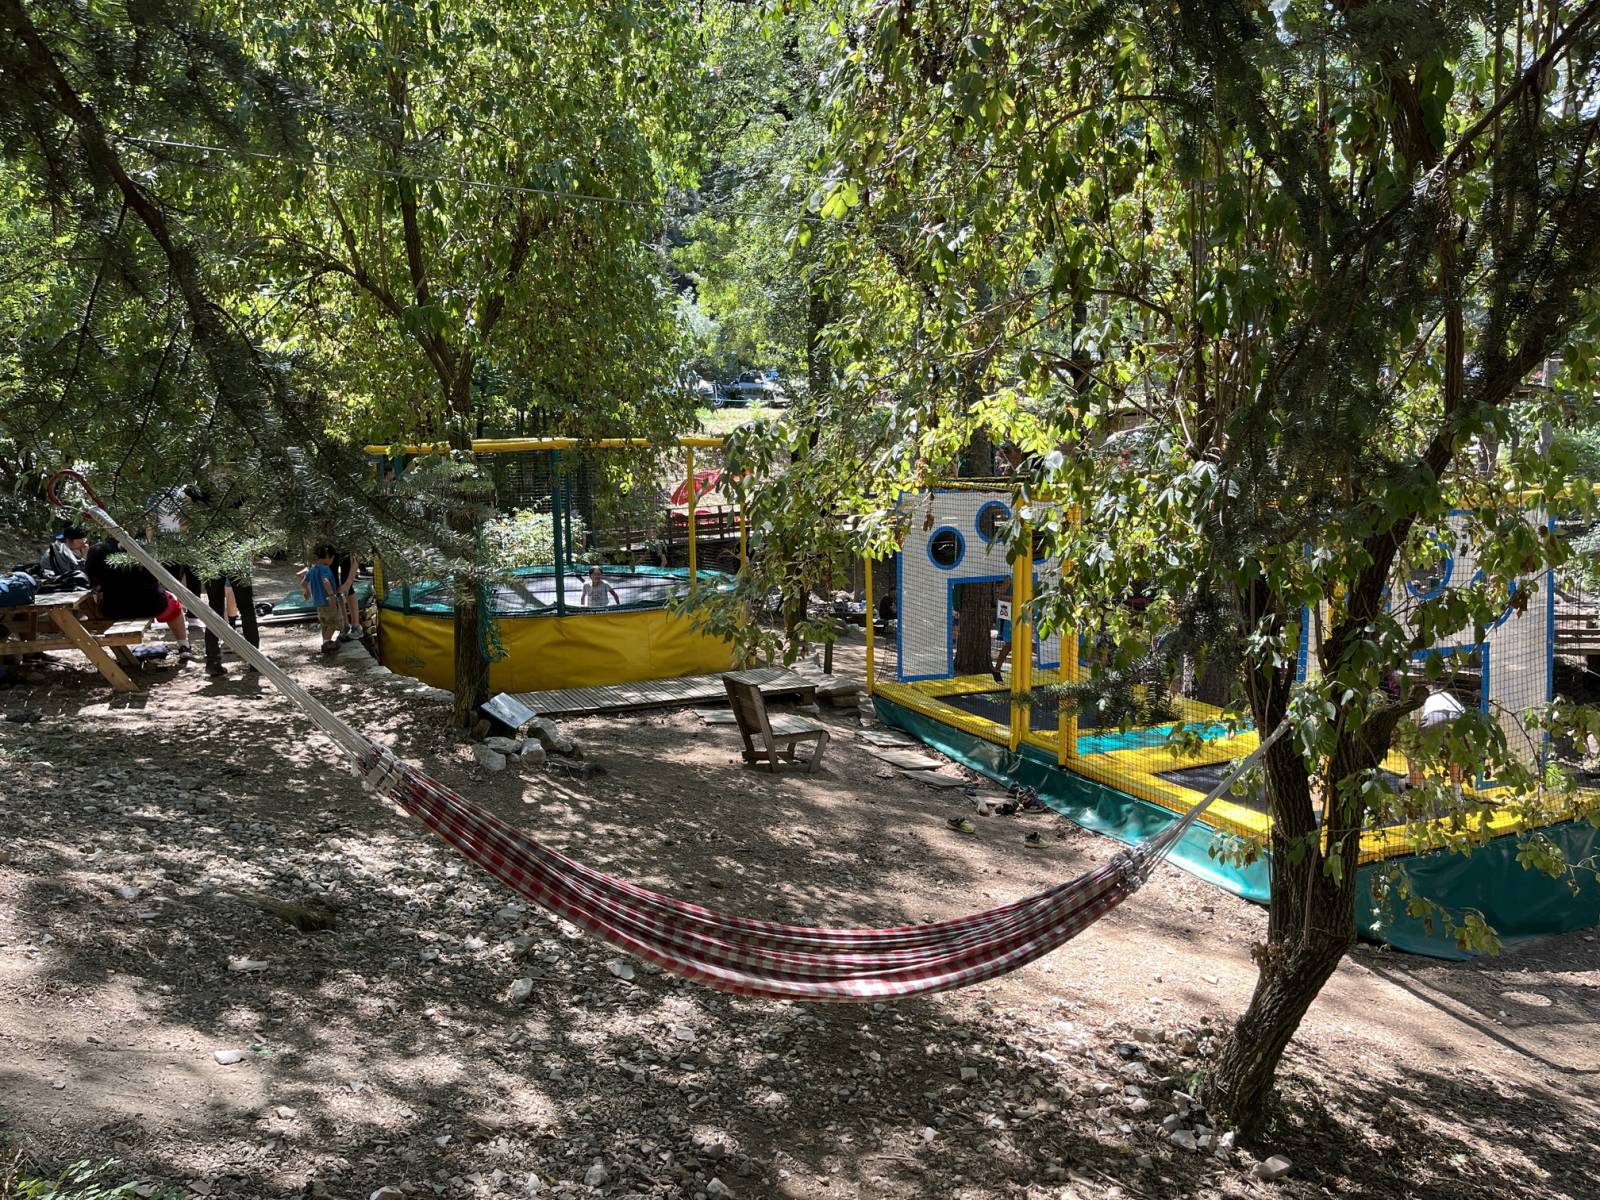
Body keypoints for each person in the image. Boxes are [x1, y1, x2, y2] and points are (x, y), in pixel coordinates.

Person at [84, 538, 192, 660]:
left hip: (113, 609)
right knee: (174, 603)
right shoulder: (143, 546)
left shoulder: (96, 550)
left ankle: (124, 654)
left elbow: (91, 580)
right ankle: (184, 645)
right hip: (152, 606)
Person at [1408, 680, 1466, 794]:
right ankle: (1456, 793)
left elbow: (1415, 729)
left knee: (1413, 754)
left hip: (1434, 717)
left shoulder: (1416, 700)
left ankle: (1416, 789)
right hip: (1460, 718)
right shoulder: (1444, 694)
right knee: (1456, 753)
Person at [303, 544, 342, 654]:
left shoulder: (312, 569)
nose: (332, 561)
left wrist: (306, 591)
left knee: (325, 623)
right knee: (334, 622)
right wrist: (331, 596)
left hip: (318, 603)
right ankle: (326, 644)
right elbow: (326, 582)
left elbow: (303, 583)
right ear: (328, 556)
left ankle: (327, 643)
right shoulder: (325, 569)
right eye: (332, 558)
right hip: (328, 601)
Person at [331, 547, 363, 639]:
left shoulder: (350, 545)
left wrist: (347, 584)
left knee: (347, 585)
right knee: (335, 585)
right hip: (332, 548)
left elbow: (355, 560)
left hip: (345, 549)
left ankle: (356, 626)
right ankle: (344, 625)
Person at [992, 577, 1014, 682]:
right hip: (1007, 616)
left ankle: (997, 669)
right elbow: (999, 597)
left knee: (1011, 645)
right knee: (1009, 644)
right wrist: (1016, 599)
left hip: (1014, 615)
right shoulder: (1007, 579)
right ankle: (996, 669)